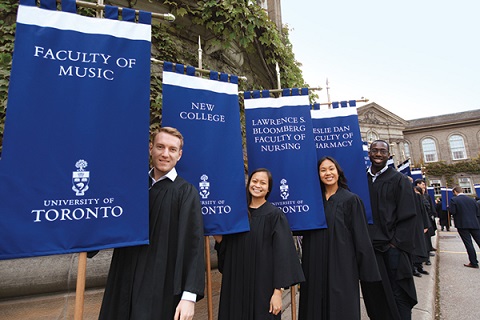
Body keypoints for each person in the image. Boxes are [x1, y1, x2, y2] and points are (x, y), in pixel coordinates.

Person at [99, 127, 205, 320]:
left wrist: (189, 295)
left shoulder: (186, 192)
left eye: (172, 149)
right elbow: (107, 221)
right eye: (160, 147)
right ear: (150, 148)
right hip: (124, 275)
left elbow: (193, 245)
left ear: (179, 155)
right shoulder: (133, 186)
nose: (165, 154)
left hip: (160, 283)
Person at [214, 168, 305, 320]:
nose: (257, 185)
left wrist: (277, 292)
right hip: (237, 286)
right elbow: (229, 252)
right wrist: (219, 239)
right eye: (254, 181)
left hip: (263, 288)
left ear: (268, 188)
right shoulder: (237, 214)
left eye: (263, 183)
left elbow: (282, 255)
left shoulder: (275, 215)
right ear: (248, 183)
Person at [298, 156, 381, 320]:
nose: (327, 173)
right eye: (323, 170)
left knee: (340, 308)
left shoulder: (351, 200)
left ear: (338, 172)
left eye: (331, 169)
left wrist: (366, 271)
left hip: (342, 266)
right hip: (314, 264)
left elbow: (361, 238)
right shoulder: (312, 202)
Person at [361, 140, 417, 320]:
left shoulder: (399, 180)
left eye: (382, 151)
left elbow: (408, 215)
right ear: (369, 153)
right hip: (370, 249)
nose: (378, 154)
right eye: (375, 151)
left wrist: (395, 244)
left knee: (397, 292)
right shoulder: (362, 180)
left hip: (392, 248)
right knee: (374, 292)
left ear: (388, 155)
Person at [449, 186, 480, 268]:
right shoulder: (472, 200)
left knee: (468, 243)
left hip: (462, 224)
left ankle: (474, 262)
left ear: (455, 192)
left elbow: (453, 212)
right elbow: (477, 212)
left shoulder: (454, 200)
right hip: (474, 223)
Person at [411, 186, 430, 277]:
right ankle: (413, 268)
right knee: (414, 248)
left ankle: (419, 266)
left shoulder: (417, 197)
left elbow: (424, 211)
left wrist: (426, 225)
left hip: (419, 224)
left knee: (420, 246)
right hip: (410, 226)